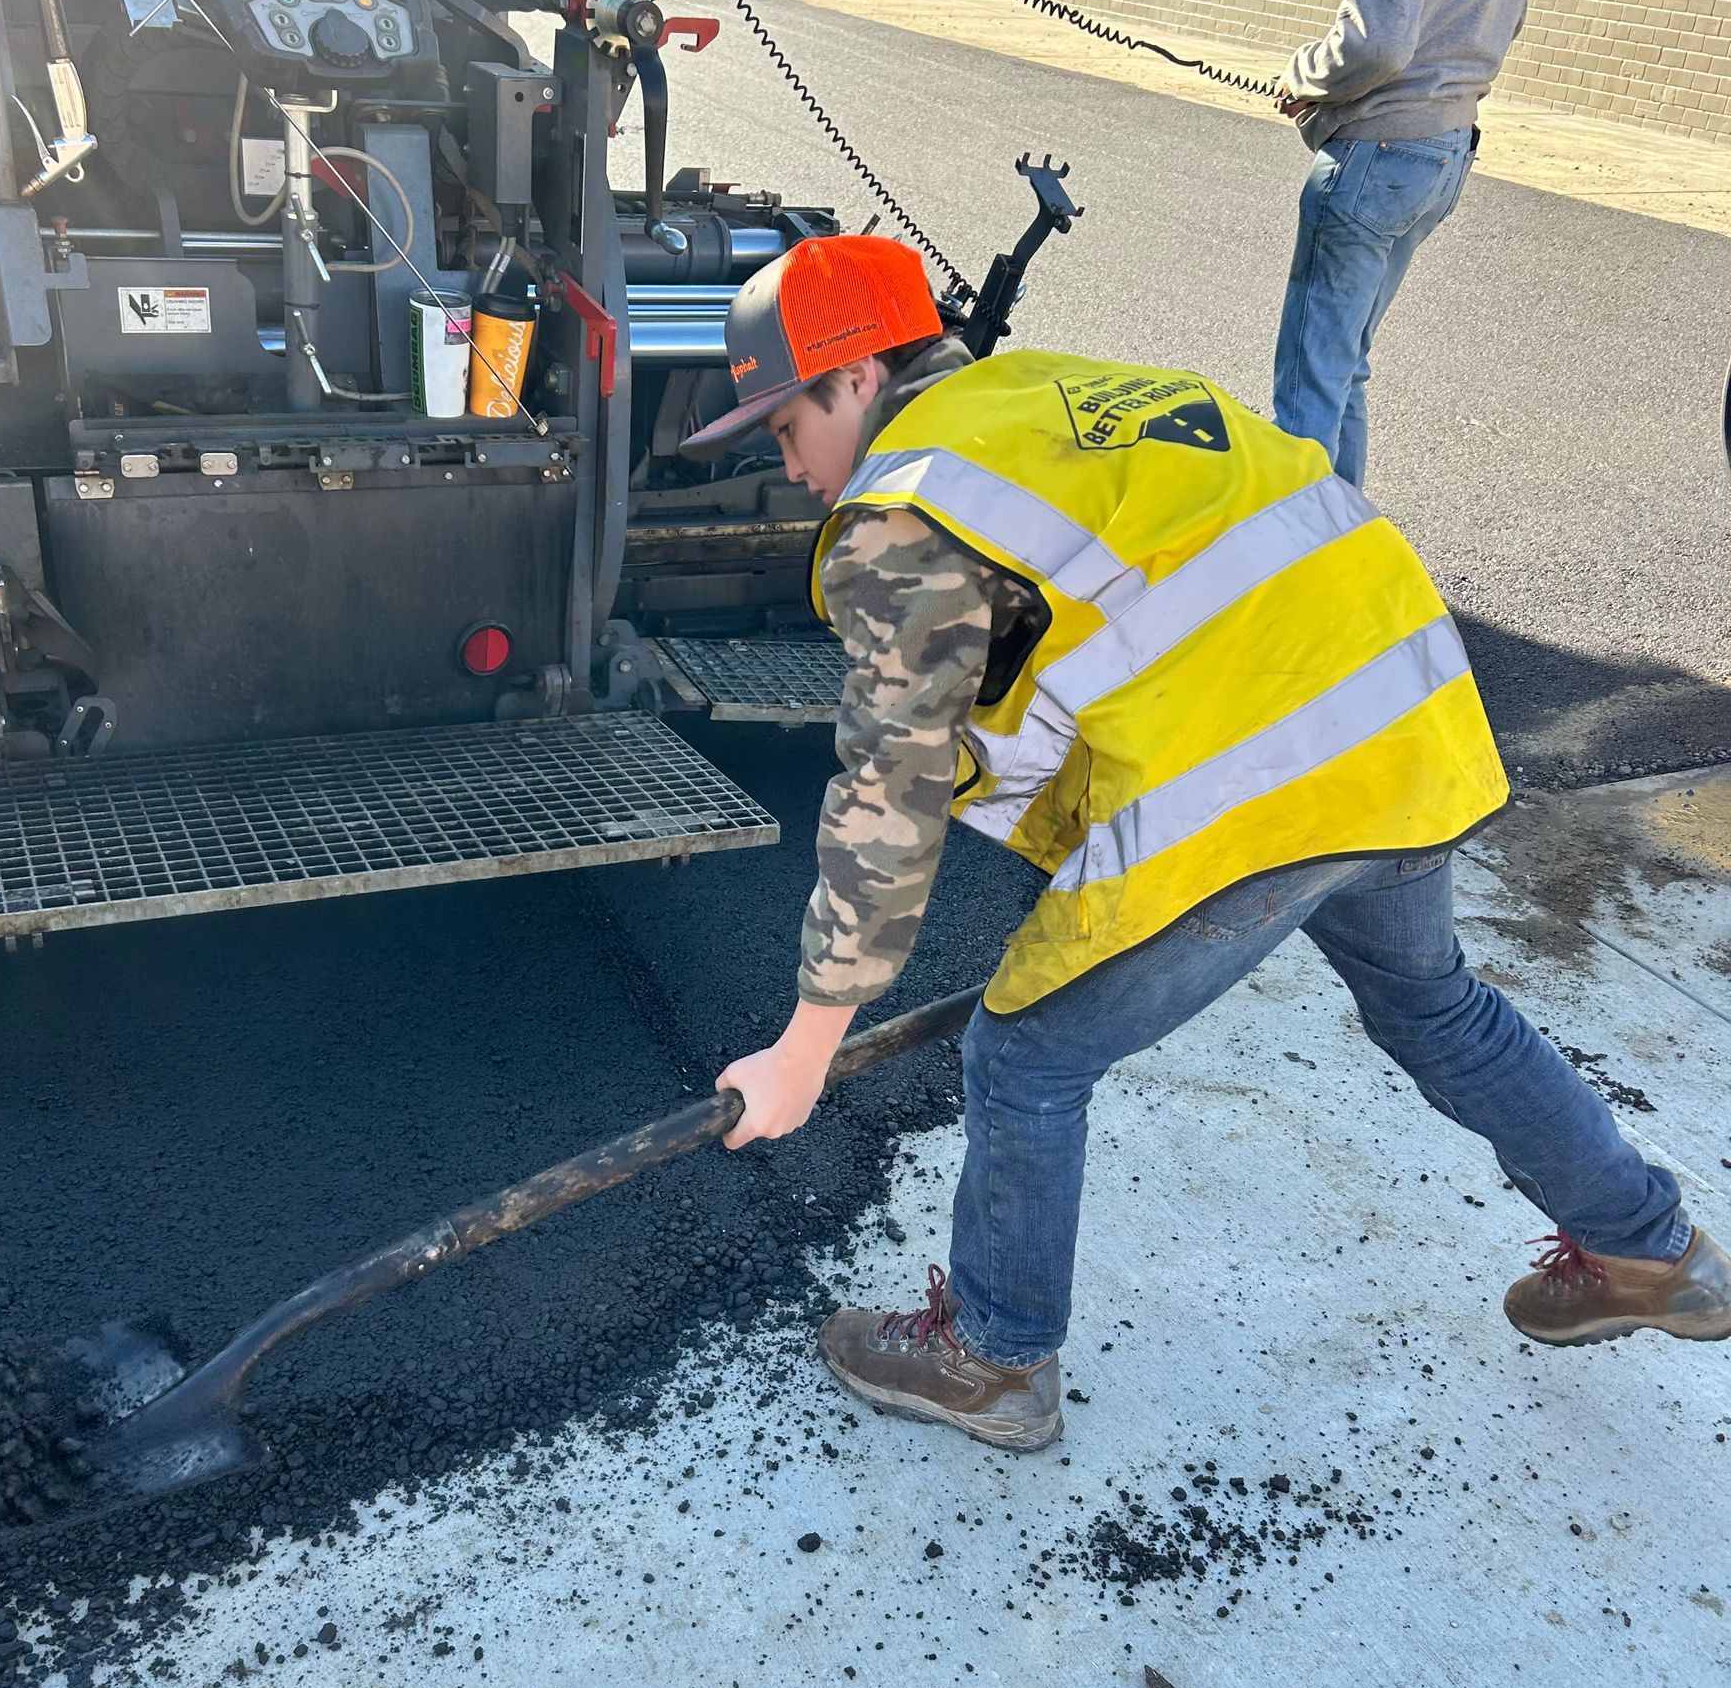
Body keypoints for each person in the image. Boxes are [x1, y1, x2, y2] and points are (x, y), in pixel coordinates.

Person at [687, 235, 1729, 1453]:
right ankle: (1651, 1249)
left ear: (856, 378)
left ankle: (995, 1357)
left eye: (781, 425)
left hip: (1260, 775)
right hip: (1401, 712)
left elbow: (889, 792)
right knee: (1430, 1002)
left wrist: (806, 1050)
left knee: (1024, 1057)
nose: (787, 462)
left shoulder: (900, 514)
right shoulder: (1043, 396)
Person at [1272, 0, 1537, 487]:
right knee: (1343, 369)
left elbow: (1378, 39)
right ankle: (1341, 550)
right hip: (1445, 147)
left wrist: (1306, 74)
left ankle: (1301, 581)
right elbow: (1510, 13)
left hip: (1375, 153)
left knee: (1307, 393)